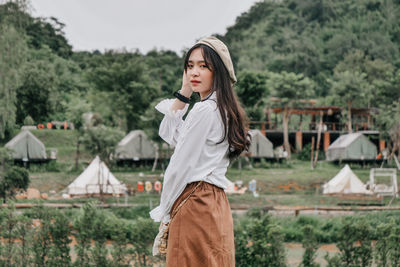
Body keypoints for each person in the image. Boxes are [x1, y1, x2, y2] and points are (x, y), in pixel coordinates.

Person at [150, 36, 250, 267]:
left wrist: (165, 212)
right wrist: (184, 93)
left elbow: (179, 166)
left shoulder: (205, 110)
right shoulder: (222, 108)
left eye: (204, 66)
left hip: (194, 199)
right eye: (190, 65)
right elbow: (170, 133)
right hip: (215, 201)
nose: (194, 72)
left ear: (219, 72)